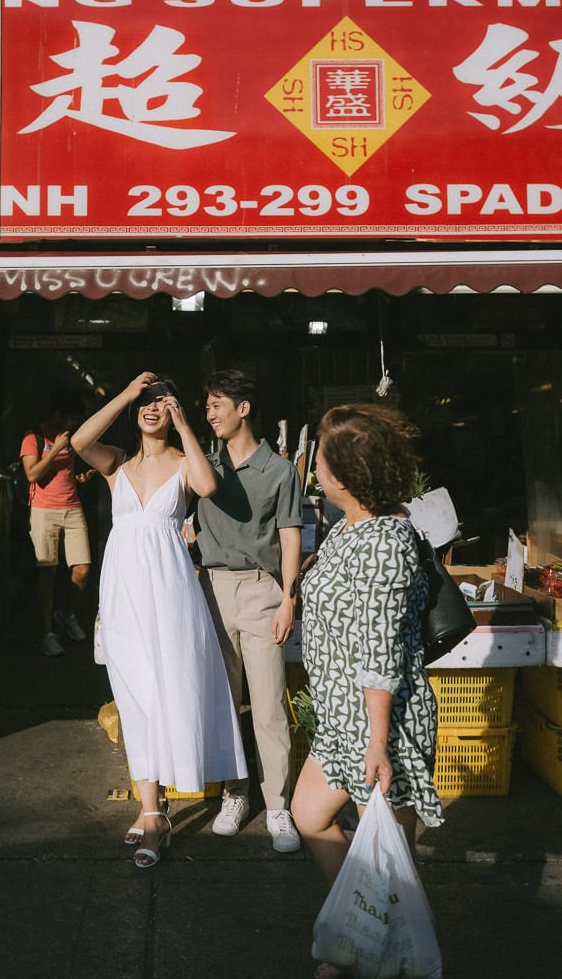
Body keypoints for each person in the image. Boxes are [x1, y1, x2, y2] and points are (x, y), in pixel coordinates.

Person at [289, 404, 443, 979]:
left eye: (322, 464)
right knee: (309, 814)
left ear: (346, 476)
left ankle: (382, 952)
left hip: (382, 724)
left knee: (387, 859)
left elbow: (380, 654)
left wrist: (379, 743)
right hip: (339, 721)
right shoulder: (348, 526)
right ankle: (364, 932)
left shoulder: (386, 540)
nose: (315, 474)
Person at [71, 371, 247, 870]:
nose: (152, 409)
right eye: (145, 403)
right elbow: (81, 440)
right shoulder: (117, 464)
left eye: (160, 402)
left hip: (171, 595)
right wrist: (126, 391)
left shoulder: (184, 464)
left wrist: (185, 424)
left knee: (173, 692)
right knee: (134, 699)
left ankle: (157, 807)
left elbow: (209, 484)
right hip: (123, 593)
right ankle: (152, 810)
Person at [194, 369, 303, 853]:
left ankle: (278, 804)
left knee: (268, 704)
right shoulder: (203, 467)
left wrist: (289, 600)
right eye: (207, 404)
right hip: (212, 589)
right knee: (223, 704)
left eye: (218, 403)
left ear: (244, 408)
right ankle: (235, 794)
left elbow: (289, 536)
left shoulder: (279, 470)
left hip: (262, 592)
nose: (210, 412)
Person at [21, 404, 94, 657]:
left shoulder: (72, 437)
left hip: (73, 507)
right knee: (47, 572)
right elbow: (32, 475)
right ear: (56, 413)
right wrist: (55, 451)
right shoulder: (34, 438)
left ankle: (66, 614)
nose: (74, 420)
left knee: (82, 568)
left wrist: (80, 477)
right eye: (71, 414)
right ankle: (47, 632)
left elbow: (65, 473)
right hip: (43, 510)